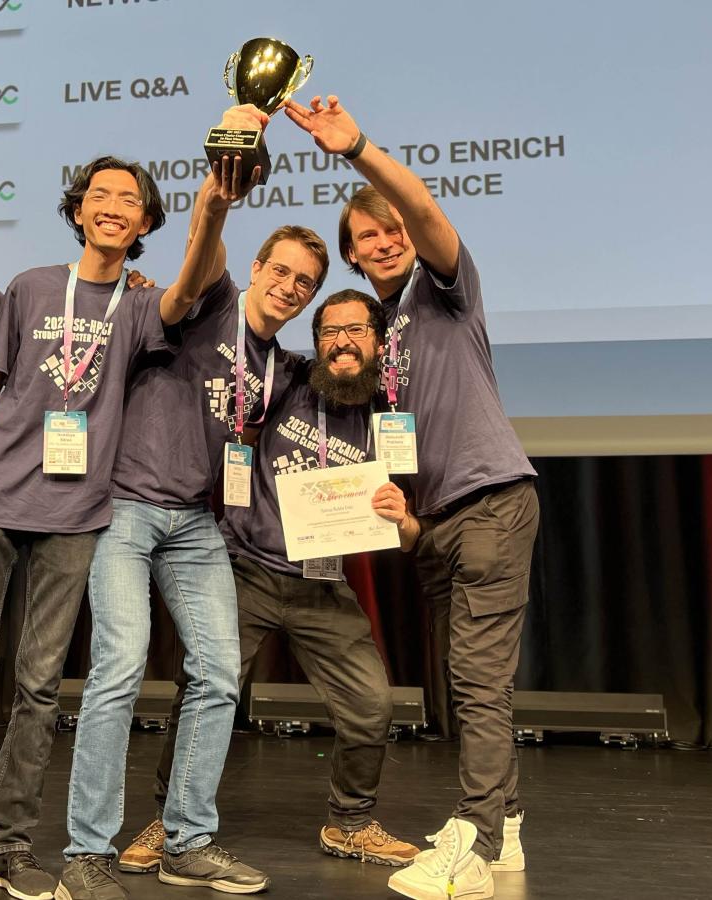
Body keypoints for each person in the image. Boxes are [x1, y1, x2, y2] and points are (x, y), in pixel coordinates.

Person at [0, 144, 252, 900]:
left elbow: (194, 279)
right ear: (77, 211)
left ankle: (7, 849)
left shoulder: (140, 306)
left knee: (39, 687)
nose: (111, 205)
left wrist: (217, 198)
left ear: (144, 221)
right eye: (98, 194)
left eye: (128, 199)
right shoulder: (31, 287)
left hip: (76, 512)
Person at [286, 95, 540, 900]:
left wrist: (354, 146)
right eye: (368, 236)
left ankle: (472, 841)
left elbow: (426, 209)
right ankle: (504, 831)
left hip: (492, 503)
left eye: (392, 227)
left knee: (477, 684)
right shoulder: (383, 329)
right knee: (463, 684)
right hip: (440, 522)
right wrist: (403, 515)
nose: (387, 239)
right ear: (354, 260)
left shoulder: (445, 290)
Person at [62, 177, 330, 897]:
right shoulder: (211, 304)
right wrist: (221, 186)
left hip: (195, 523)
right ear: (255, 270)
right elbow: (203, 240)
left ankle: (187, 839)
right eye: (280, 271)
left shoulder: (282, 368)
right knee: (119, 669)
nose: (290, 287)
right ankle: (86, 852)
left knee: (217, 673)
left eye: (304, 282)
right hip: (126, 507)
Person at [120, 289, 422, 877]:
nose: (342, 342)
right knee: (204, 693)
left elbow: (412, 534)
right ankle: (172, 822)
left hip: (323, 585)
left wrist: (401, 517)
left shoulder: (393, 417)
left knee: (372, 704)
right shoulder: (286, 382)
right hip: (247, 571)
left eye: (356, 331)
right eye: (330, 331)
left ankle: (351, 822)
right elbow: (226, 359)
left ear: (379, 342)